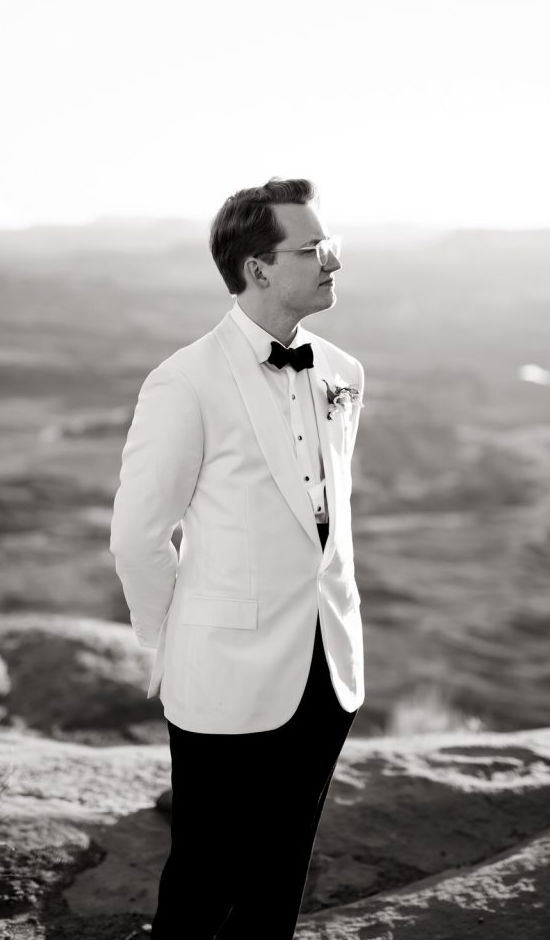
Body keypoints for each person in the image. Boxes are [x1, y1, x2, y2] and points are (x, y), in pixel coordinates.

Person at [109, 176, 366, 939]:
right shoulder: (183, 381)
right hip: (221, 673)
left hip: (327, 669)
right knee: (202, 884)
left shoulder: (344, 375)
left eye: (332, 246)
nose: (332, 263)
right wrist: (172, 638)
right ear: (256, 269)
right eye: (314, 249)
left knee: (280, 880)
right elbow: (137, 536)